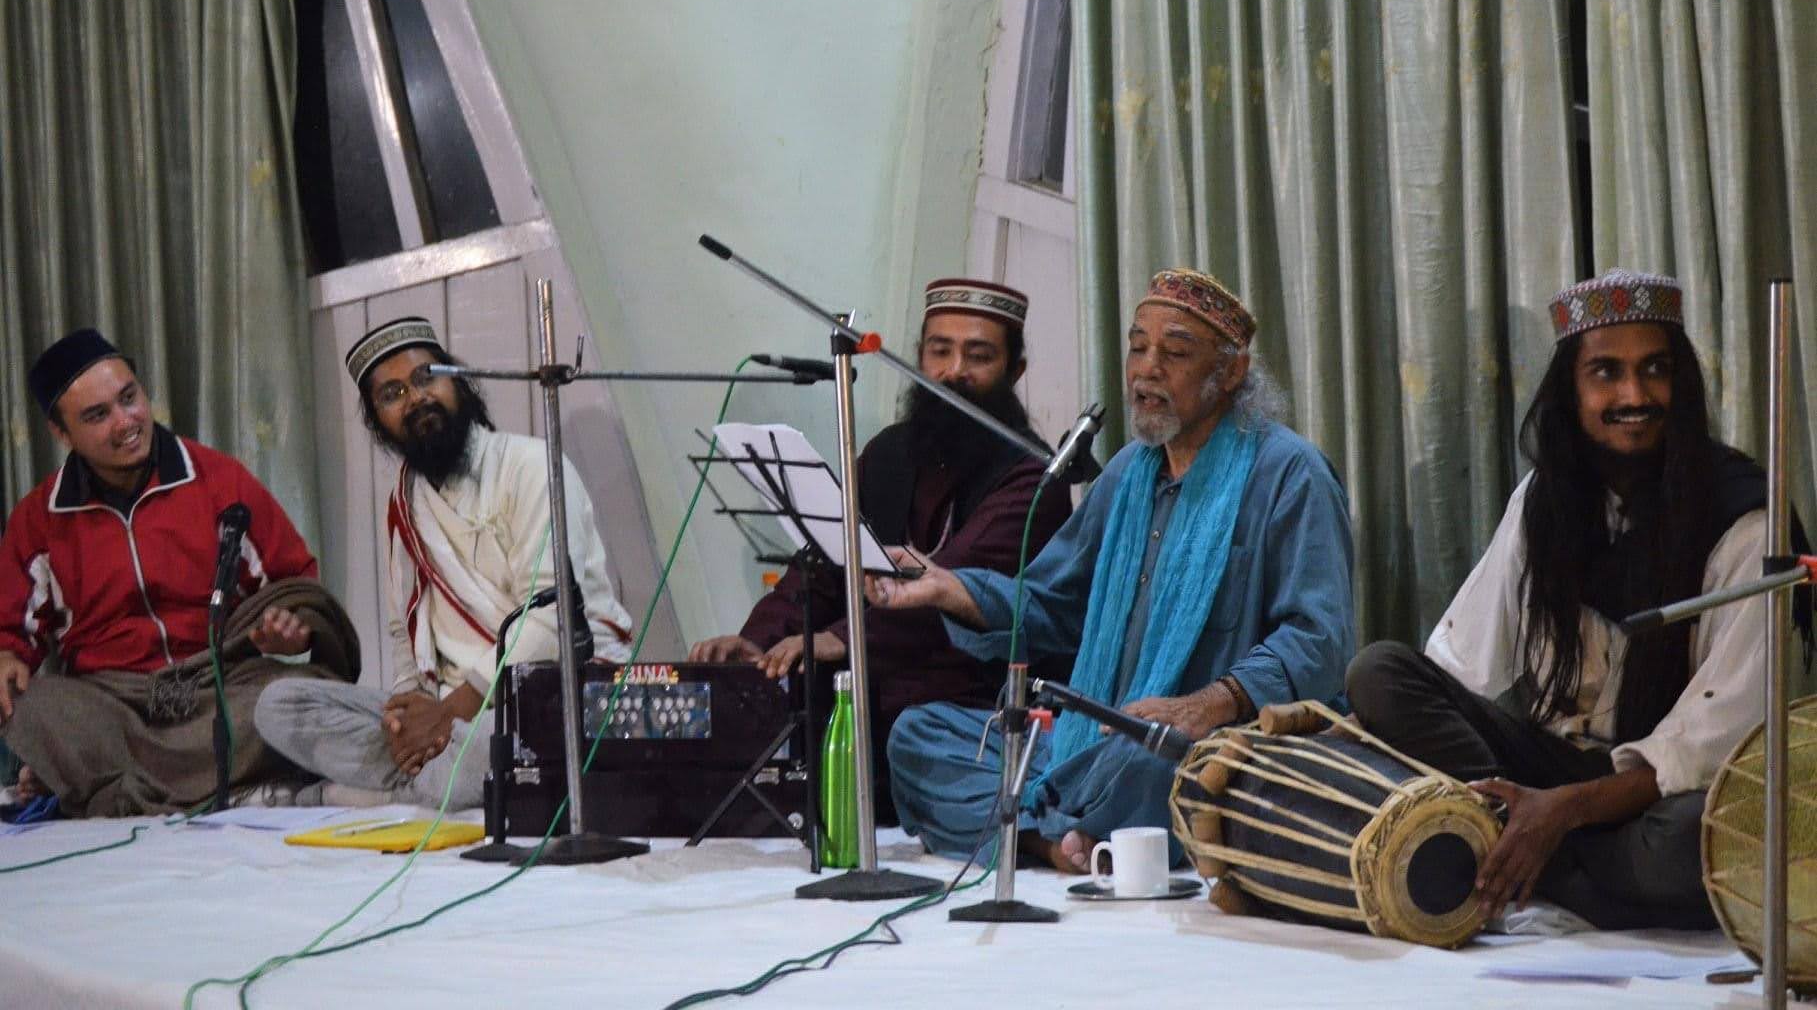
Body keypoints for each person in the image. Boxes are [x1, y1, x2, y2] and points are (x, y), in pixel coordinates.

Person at [1346, 269, 1814, 930]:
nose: (1633, 394)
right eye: (1605, 373)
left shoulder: (1745, 520)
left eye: (1653, 369)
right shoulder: (1545, 497)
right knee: (1379, 673)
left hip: (1656, 798)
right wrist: (1528, 797)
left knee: (1691, 842)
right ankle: (1533, 842)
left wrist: (1564, 810)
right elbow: (1458, 667)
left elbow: (1715, 745)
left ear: (1680, 384)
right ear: (1570, 388)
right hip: (1550, 769)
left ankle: (1533, 857)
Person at [878, 269, 1355, 870]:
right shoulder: (1130, 473)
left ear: (1231, 372)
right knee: (919, 735)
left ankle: (1029, 822)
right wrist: (951, 589)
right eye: (1137, 347)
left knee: (1164, 762)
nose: (1146, 369)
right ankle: (1054, 838)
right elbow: (1052, 603)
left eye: (1175, 352)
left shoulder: (1290, 475)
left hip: (1206, 743)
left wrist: (1207, 703)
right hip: (1094, 738)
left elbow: (1320, 639)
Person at [689, 279, 1072, 801]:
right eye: (940, 351)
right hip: (865, 694)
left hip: (966, 711)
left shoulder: (1033, 478)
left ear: (1014, 371)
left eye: (978, 355)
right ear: (919, 357)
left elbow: (943, 588)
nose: (954, 370)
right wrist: (760, 641)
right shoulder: (888, 453)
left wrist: (841, 638)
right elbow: (822, 566)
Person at [255, 317, 635, 810]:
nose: (415, 399)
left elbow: (550, 618)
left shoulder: (529, 466)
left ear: (457, 379)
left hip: (551, 691)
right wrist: (405, 717)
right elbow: (404, 634)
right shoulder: (405, 503)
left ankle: (351, 793)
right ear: (377, 420)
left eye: (425, 378)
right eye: (391, 395)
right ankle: (421, 775)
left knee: (479, 758)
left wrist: (450, 713)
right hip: (450, 714)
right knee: (277, 707)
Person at [0, 329, 357, 816]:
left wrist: (291, 630)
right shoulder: (38, 519)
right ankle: (244, 788)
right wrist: (7, 654)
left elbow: (296, 584)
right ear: (61, 433)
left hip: (216, 688)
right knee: (30, 708)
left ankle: (113, 791)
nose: (126, 422)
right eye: (98, 415)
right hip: (111, 704)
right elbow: (12, 628)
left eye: (129, 399)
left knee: (304, 698)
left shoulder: (218, 480)